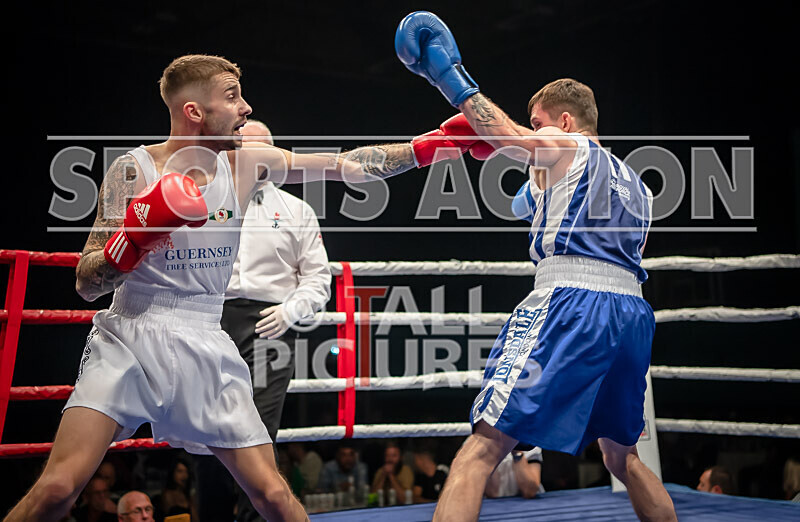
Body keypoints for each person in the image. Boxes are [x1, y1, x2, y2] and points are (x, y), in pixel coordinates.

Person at [4, 53, 489, 522]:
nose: (246, 108)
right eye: (233, 97)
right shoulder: (135, 170)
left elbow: (346, 165)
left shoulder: (246, 164)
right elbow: (87, 283)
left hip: (205, 336)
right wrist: (132, 241)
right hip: (130, 334)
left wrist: (429, 149)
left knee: (274, 494)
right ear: (195, 111)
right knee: (58, 489)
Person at [396, 12, 678, 521]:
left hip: (570, 305)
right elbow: (533, 204)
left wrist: (450, 78)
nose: (536, 133)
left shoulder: (566, 144)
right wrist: (532, 182)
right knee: (623, 455)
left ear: (565, 121)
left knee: (480, 448)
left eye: (540, 123)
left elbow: (508, 136)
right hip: (630, 315)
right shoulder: (635, 183)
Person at [195, 119, 331, 521]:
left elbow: (319, 278)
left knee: (258, 435)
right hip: (209, 321)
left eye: (260, 151)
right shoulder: (202, 201)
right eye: (242, 148)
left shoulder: (295, 210)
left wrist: (290, 310)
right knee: (206, 433)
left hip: (270, 326)